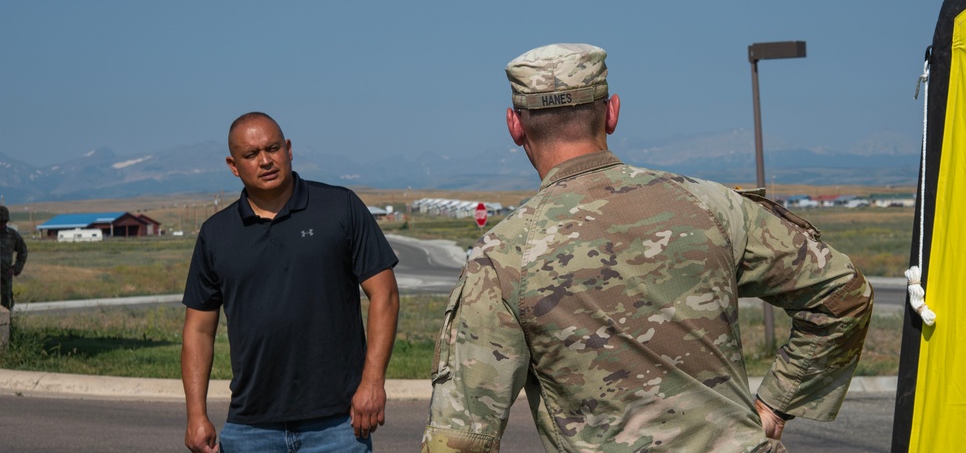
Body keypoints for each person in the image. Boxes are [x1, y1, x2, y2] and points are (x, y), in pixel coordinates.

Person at [422, 43, 874, 453]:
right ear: (613, 113)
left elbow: (460, 440)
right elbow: (843, 294)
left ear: (515, 126)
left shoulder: (503, 258)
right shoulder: (711, 205)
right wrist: (775, 404)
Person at [182, 112, 400, 453]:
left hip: (338, 425)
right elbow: (198, 330)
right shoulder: (216, 234)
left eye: (272, 148)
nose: (265, 161)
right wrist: (196, 415)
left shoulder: (339, 208)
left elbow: (384, 294)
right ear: (233, 165)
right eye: (251, 155)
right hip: (249, 428)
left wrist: (373, 382)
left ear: (289, 149)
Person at [1, 205, 28, 311]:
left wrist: (15, 269)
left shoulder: (12, 235)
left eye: (3, 222)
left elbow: (23, 252)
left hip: (6, 280)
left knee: (6, 309)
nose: (1, 225)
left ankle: (8, 327)